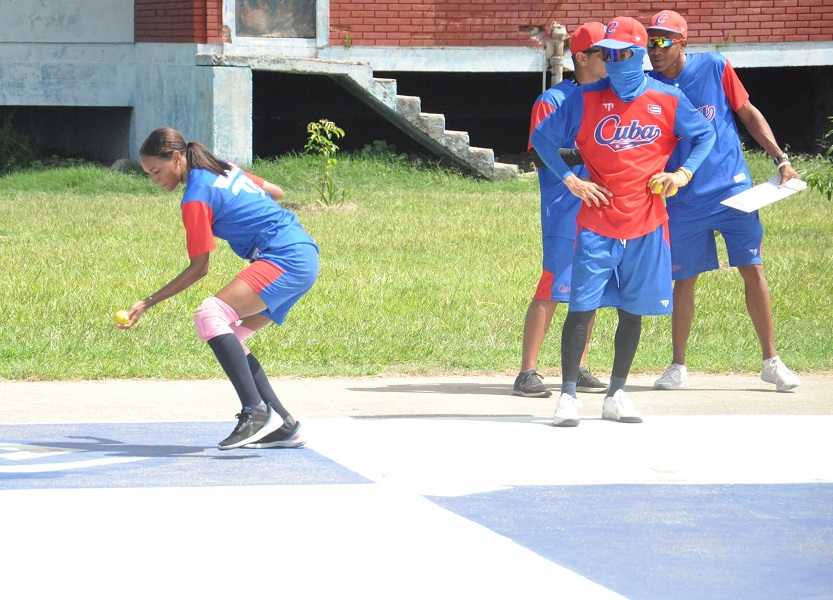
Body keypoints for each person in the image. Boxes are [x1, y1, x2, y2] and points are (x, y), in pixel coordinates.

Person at [531, 17, 715, 427]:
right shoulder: (584, 98)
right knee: (581, 307)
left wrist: (682, 174)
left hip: (649, 223)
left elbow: (705, 136)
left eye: (621, 53)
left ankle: (616, 394)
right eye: (606, 53)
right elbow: (542, 138)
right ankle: (567, 397)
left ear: (638, 55)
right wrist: (571, 179)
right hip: (597, 222)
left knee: (632, 312)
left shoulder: (667, 98)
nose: (613, 61)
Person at [118, 127, 318, 450]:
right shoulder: (223, 167)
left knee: (210, 316)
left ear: (177, 158)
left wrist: (147, 302)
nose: (154, 180)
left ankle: (255, 411)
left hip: (285, 258)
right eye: (148, 174)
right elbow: (277, 192)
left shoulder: (195, 197)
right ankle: (285, 424)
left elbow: (200, 268)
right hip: (303, 254)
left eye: (156, 171)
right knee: (233, 338)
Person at [646, 10, 802, 392]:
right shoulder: (647, 85)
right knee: (683, 280)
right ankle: (678, 367)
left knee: (752, 268)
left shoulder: (715, 66)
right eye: (651, 41)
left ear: (684, 42)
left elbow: (747, 113)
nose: (656, 49)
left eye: (664, 41)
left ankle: (771, 361)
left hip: (733, 189)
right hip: (682, 198)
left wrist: (781, 159)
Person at [513, 21, 609, 398]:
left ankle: (578, 365)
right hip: (564, 207)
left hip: (600, 208)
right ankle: (527, 372)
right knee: (553, 286)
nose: (613, 61)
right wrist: (593, 154)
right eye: (606, 54)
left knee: (592, 288)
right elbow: (541, 154)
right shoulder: (552, 101)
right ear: (582, 57)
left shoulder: (609, 100)